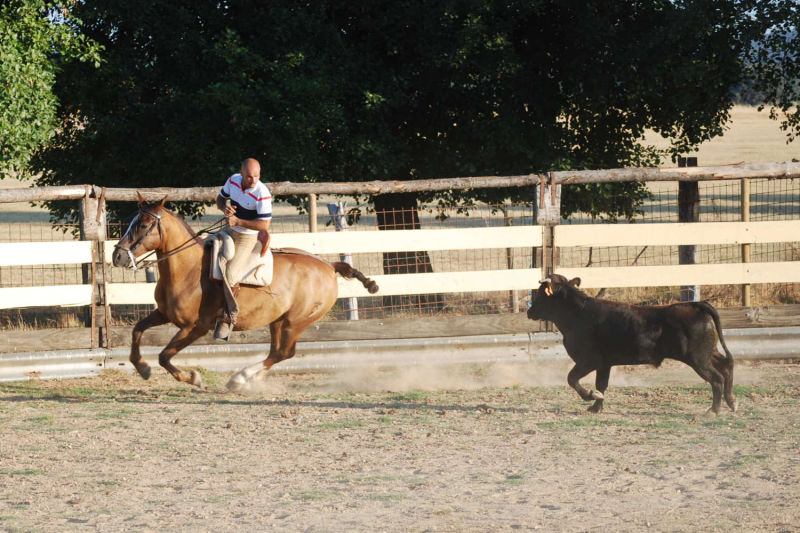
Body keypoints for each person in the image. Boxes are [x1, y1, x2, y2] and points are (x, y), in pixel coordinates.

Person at [213, 157, 272, 340]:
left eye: (256, 176)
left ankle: (227, 318)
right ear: (241, 173)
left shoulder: (262, 193)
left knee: (230, 273)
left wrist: (238, 221)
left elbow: (264, 225)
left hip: (248, 237)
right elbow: (220, 199)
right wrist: (225, 209)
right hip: (229, 228)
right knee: (204, 251)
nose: (253, 180)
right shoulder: (232, 180)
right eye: (249, 177)